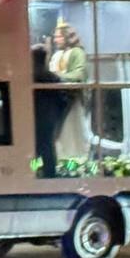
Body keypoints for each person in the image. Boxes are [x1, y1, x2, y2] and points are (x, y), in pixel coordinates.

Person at [49, 22, 90, 167]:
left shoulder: (77, 53)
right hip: (56, 100)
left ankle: (75, 164)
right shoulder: (57, 55)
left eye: (58, 37)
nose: (55, 40)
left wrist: (57, 77)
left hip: (71, 100)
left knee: (72, 132)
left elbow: (78, 74)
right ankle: (60, 162)